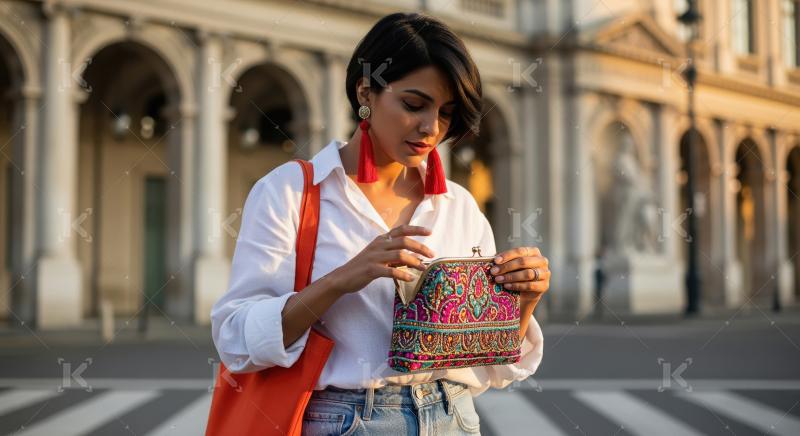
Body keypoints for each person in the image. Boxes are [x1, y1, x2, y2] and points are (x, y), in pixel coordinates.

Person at [211, 12, 551, 435]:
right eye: (413, 104)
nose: (431, 128)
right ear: (365, 90)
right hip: (348, 419)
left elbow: (490, 365)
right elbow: (236, 338)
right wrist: (344, 278)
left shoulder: (459, 206)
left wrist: (524, 301)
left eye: (446, 113)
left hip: (454, 417)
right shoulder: (291, 192)